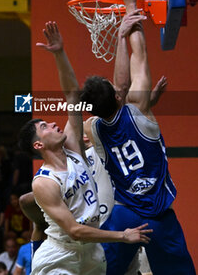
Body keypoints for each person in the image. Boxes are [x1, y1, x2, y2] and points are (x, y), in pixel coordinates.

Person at [80, 0, 196, 275]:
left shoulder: (92, 128)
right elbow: (139, 56)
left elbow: (119, 88)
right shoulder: (138, 108)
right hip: (158, 215)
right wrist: (130, 7)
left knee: (102, 271)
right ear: (119, 97)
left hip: (125, 215)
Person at [18, 21, 152, 275]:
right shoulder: (44, 182)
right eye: (45, 126)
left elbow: (72, 94)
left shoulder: (74, 149)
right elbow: (75, 231)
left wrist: (59, 53)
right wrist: (123, 236)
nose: (54, 124)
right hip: (61, 254)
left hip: (92, 254)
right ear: (38, 144)